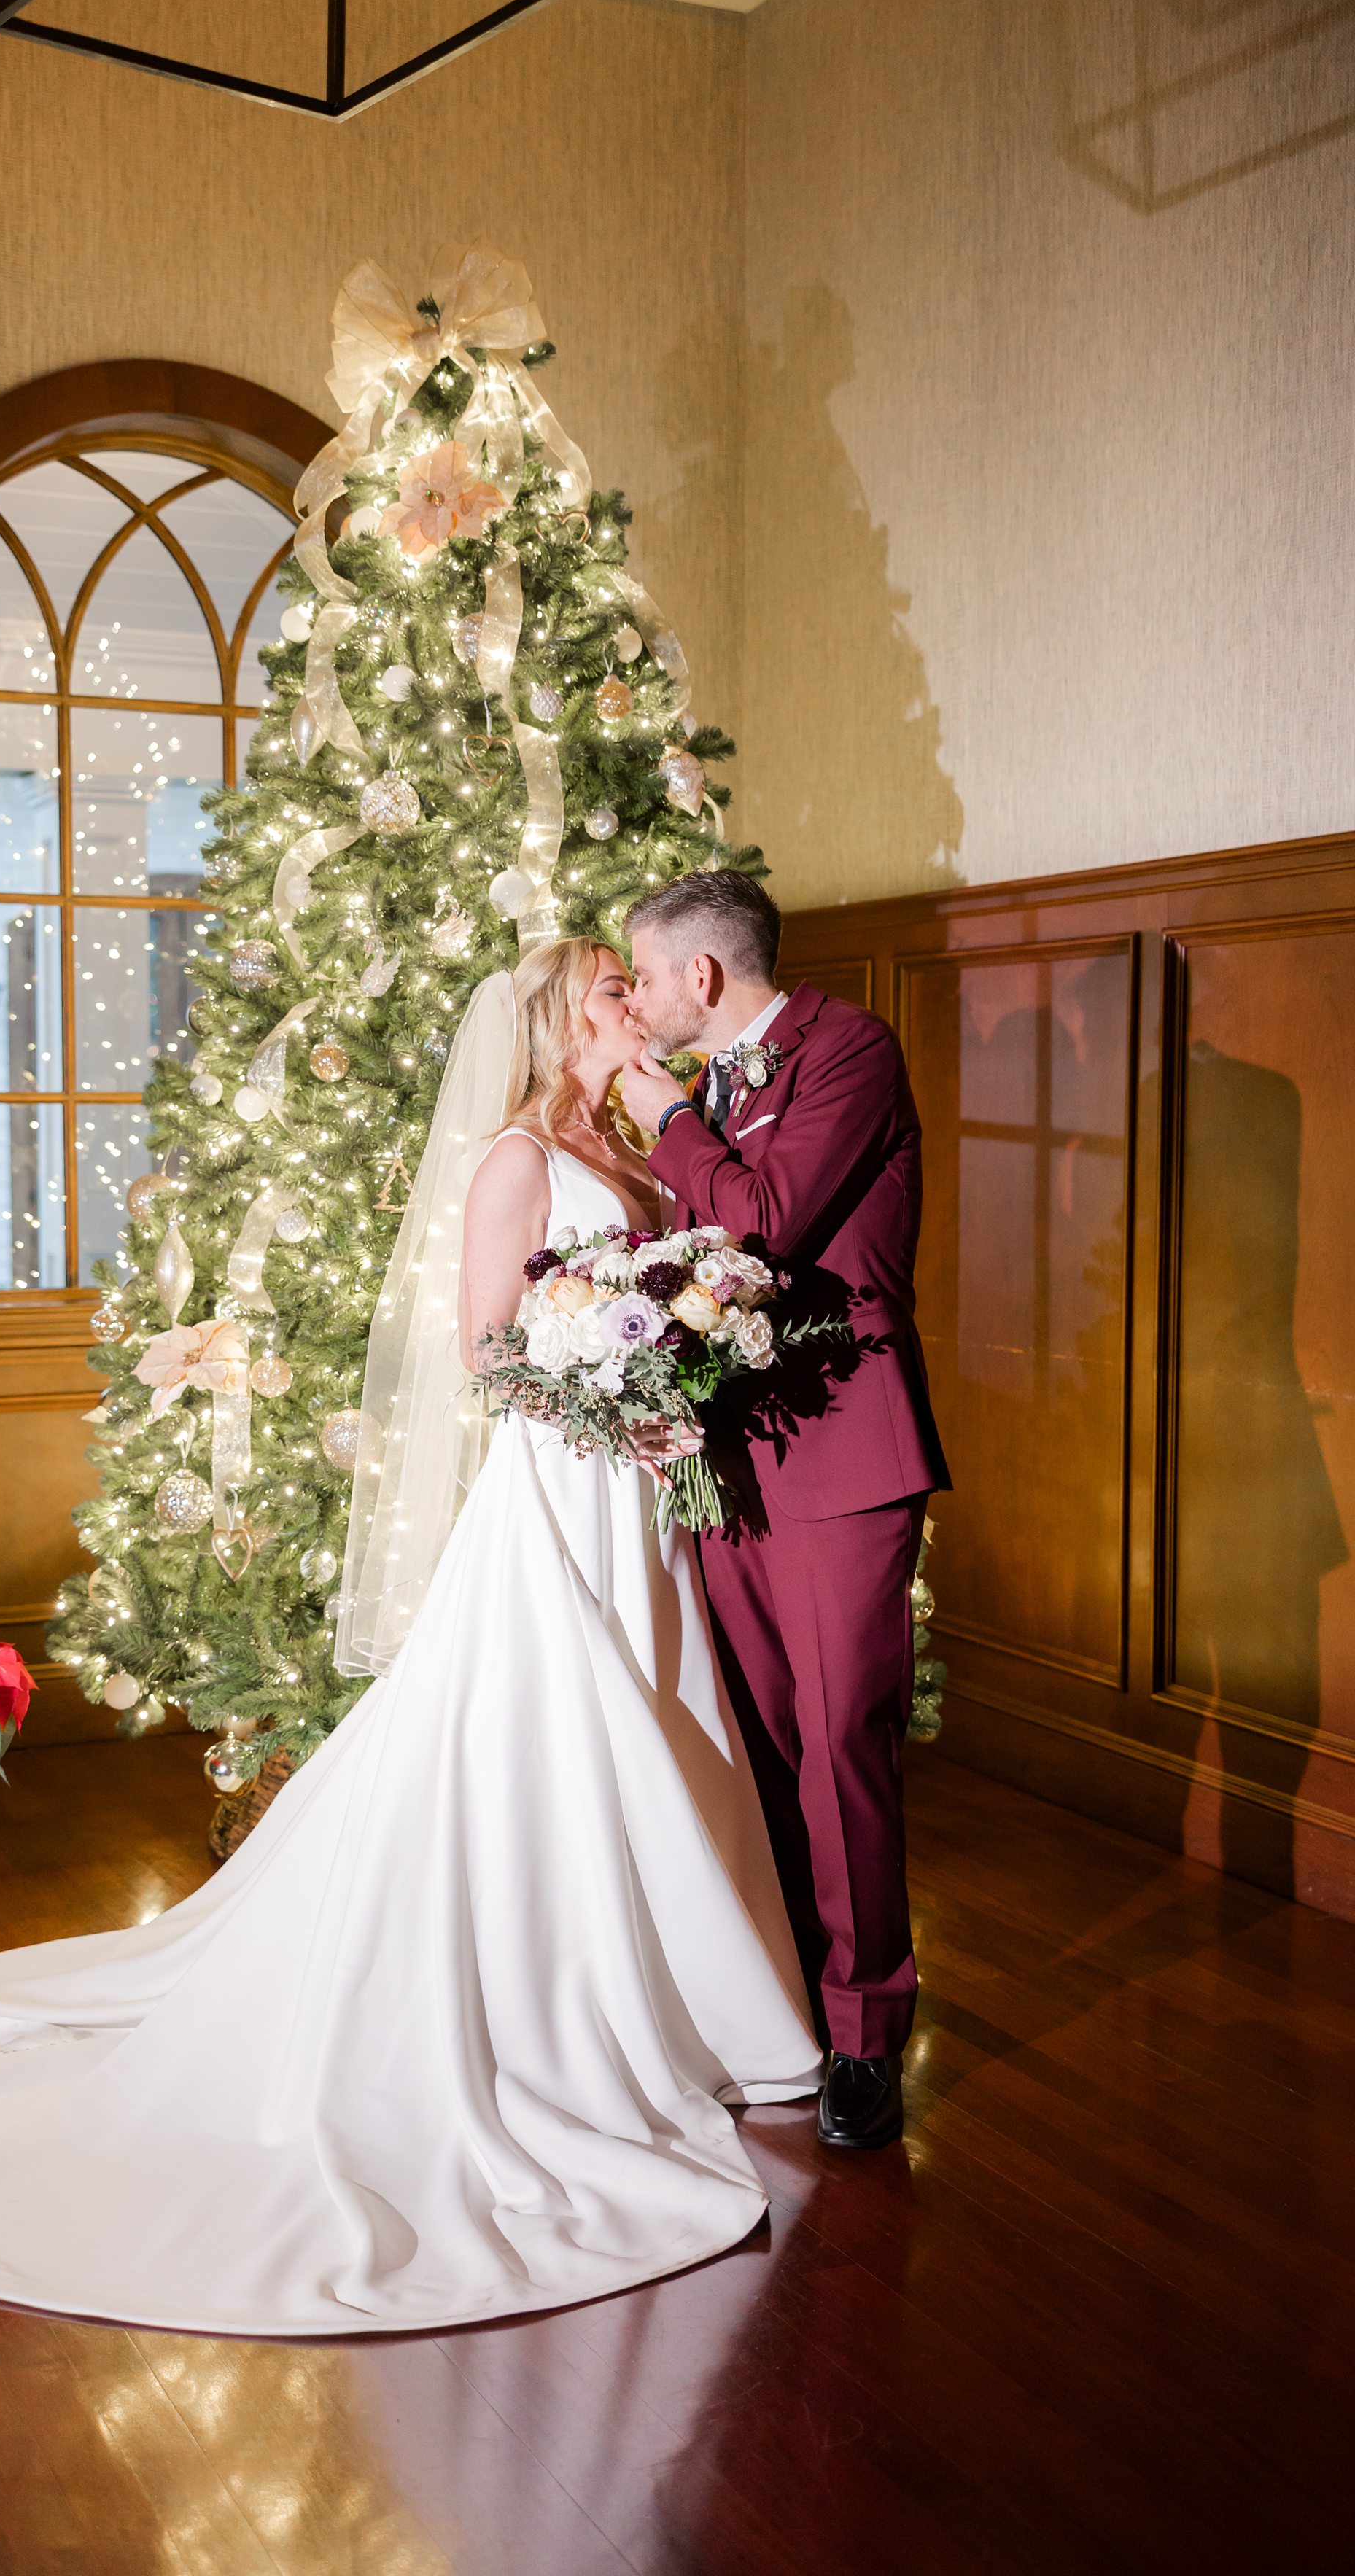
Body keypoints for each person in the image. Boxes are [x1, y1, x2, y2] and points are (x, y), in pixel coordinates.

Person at [0, 939, 823, 2338]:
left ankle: (690, 1997)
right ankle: (575, 2015)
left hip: (636, 1494)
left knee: (659, 1713)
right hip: (563, 1488)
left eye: (636, 988)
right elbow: (486, 1350)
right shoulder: (516, 1157)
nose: (637, 1006)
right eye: (612, 993)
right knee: (565, 1728)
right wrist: (606, 1390)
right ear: (561, 1018)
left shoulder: (632, 1146)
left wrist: (670, 1358)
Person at [617, 871, 950, 2152]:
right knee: (755, 1745)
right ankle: (785, 2010)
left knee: (842, 1743)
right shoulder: (703, 1088)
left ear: (702, 976)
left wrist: (666, 1121)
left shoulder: (850, 1048)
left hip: (845, 1460)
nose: (641, 1006)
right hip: (726, 1459)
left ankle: (869, 2031)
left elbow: (764, 1218)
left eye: (647, 978)